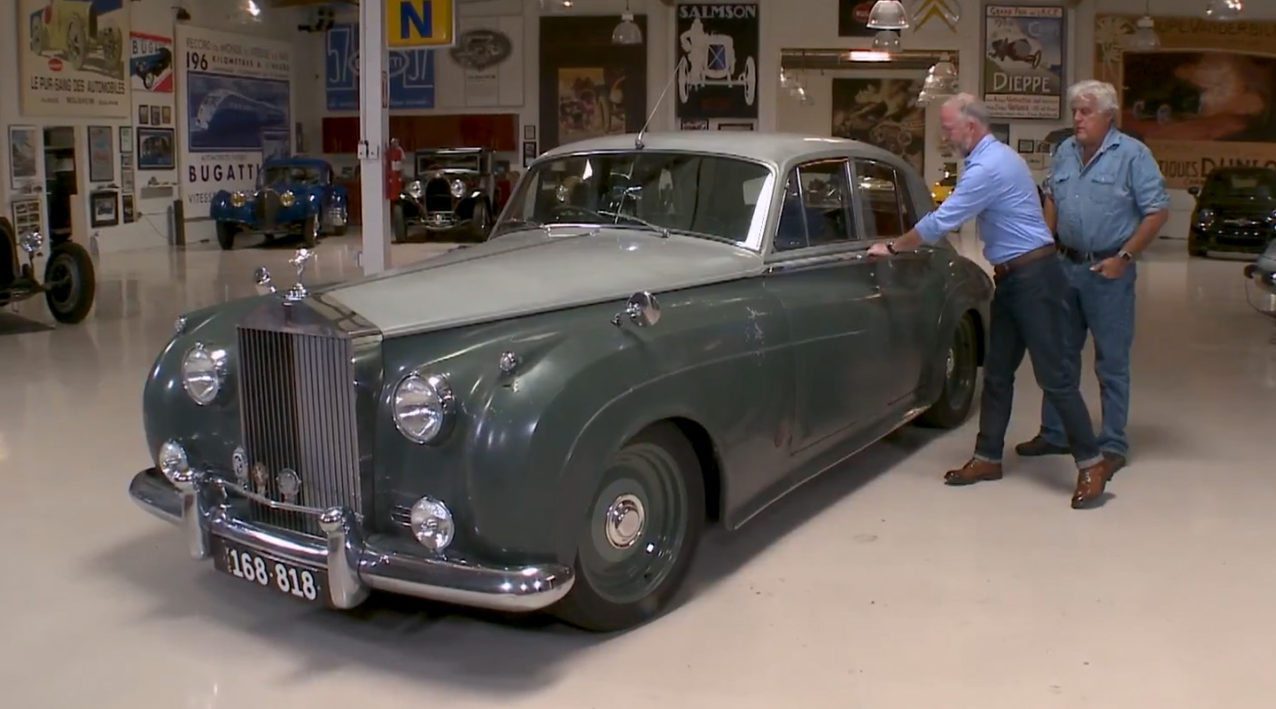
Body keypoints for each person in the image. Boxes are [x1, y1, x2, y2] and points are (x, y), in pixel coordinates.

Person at [867, 93, 1118, 509]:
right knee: (998, 373)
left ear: (971, 126)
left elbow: (943, 221)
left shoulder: (989, 166)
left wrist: (894, 247)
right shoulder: (992, 158)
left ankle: (1092, 464)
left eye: (948, 129)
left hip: (1036, 281)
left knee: (1055, 376)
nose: (945, 136)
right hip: (1014, 279)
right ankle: (987, 457)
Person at [1015, 80, 1169, 473]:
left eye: (1085, 112)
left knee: (1111, 361)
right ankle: (1054, 433)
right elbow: (1051, 195)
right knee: (1059, 354)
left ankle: (1113, 443)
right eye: (1075, 112)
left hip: (1109, 272)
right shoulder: (1065, 151)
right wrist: (1047, 246)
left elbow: (1157, 212)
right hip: (1065, 267)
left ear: (1108, 116)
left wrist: (1124, 257)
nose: (1077, 119)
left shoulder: (1133, 156)